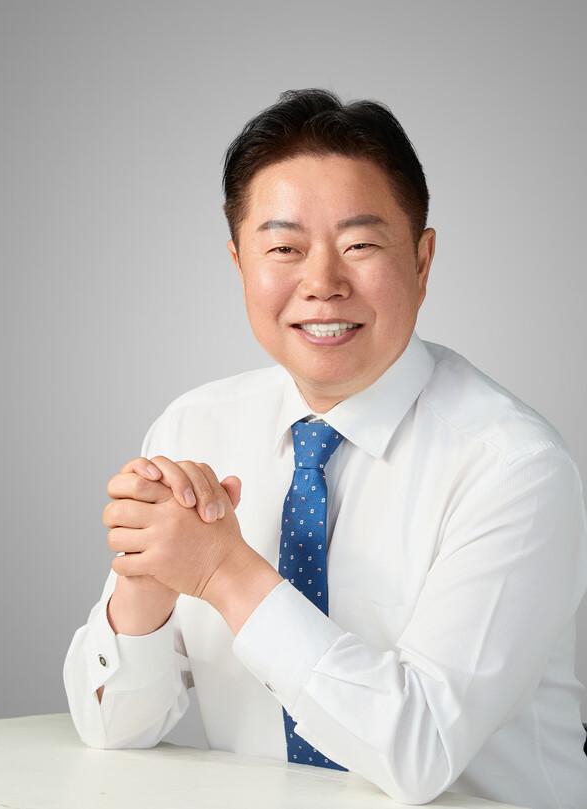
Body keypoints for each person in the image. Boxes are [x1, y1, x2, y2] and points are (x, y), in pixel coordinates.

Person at [63, 88, 587, 807]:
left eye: (359, 245)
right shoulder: (195, 426)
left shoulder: (514, 468)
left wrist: (222, 571)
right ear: (239, 263)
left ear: (423, 260)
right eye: (284, 248)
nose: (322, 284)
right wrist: (146, 585)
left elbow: (420, 750)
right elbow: (112, 727)